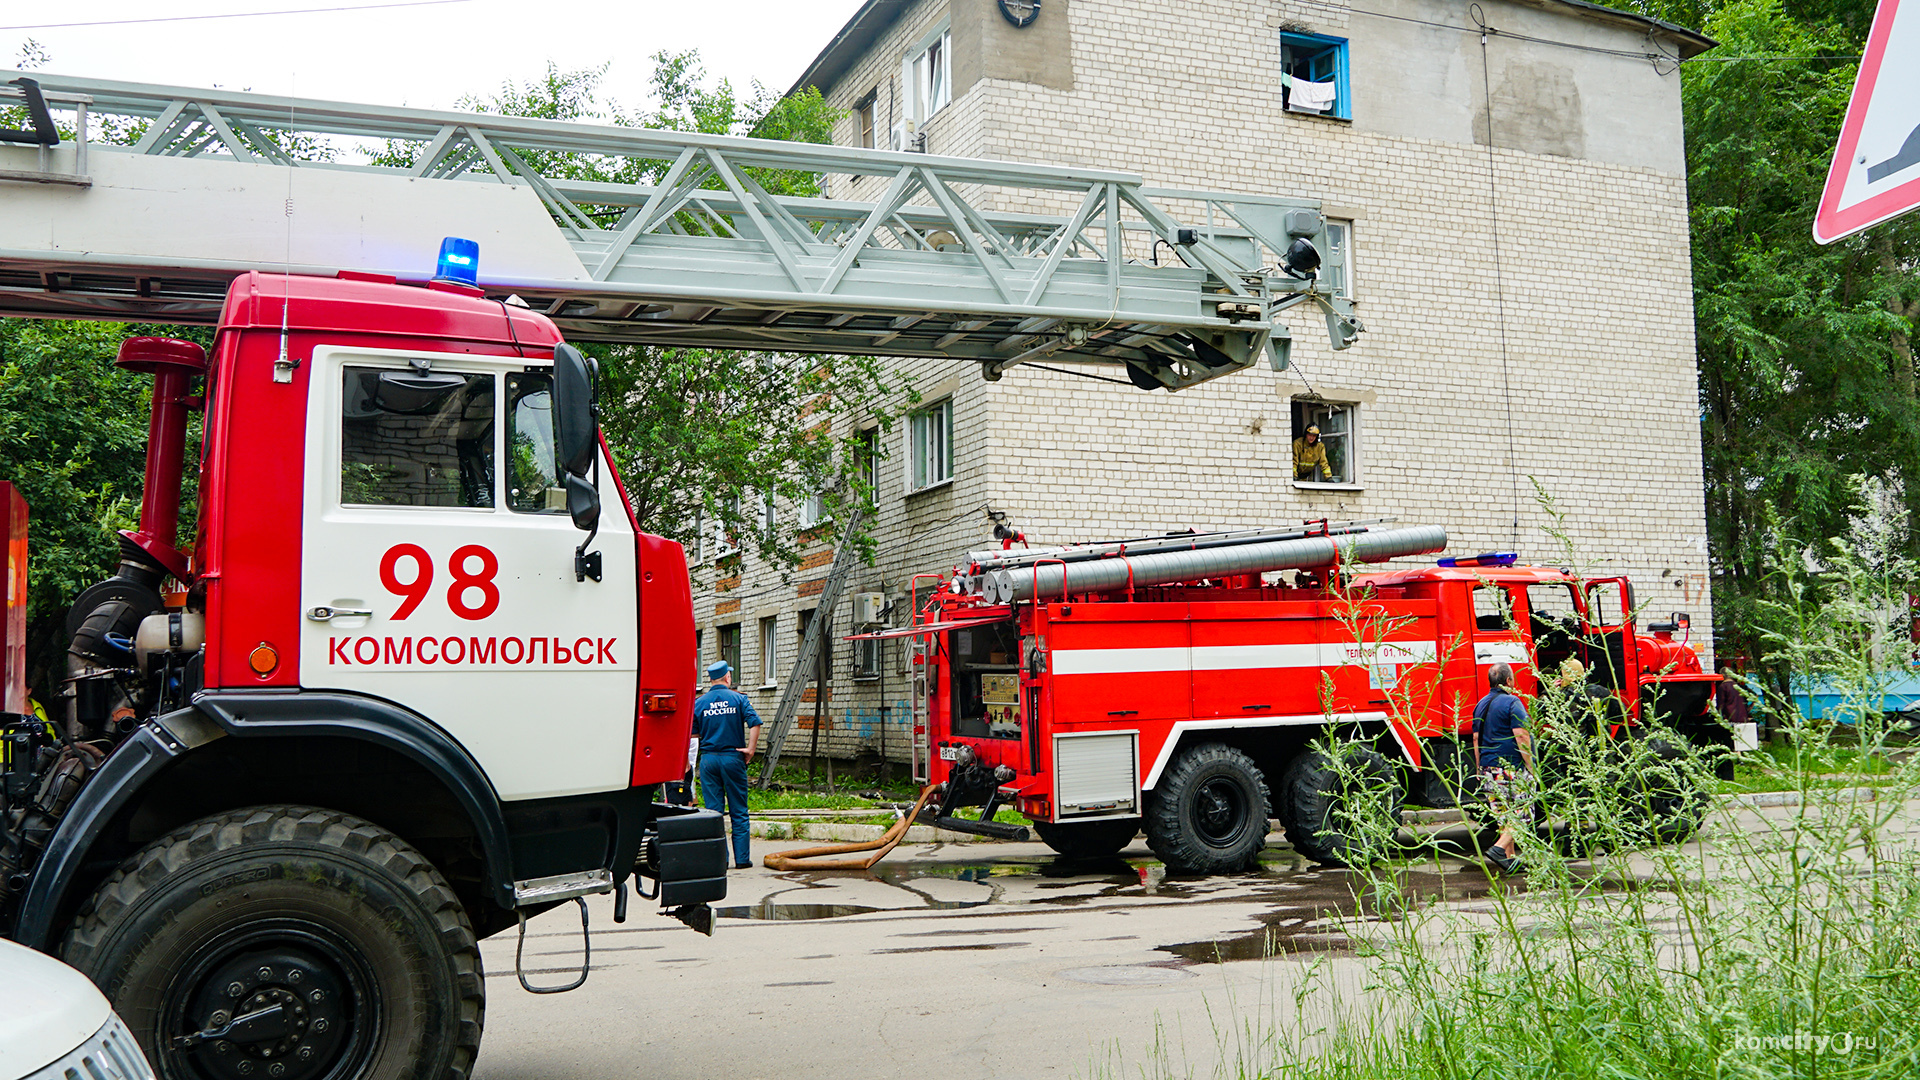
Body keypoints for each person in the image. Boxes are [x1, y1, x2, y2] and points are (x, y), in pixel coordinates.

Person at [693, 661, 762, 869]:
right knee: (739, 810)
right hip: (733, 758)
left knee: (714, 813)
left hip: (709, 759)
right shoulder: (739, 699)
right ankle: (742, 860)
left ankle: (719, 861)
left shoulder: (700, 702)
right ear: (727, 678)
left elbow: (693, 735)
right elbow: (755, 723)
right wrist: (750, 749)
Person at [1471, 662, 1534, 874]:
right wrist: (1530, 766)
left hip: (1488, 768)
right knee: (1524, 813)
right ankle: (1498, 849)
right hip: (1510, 767)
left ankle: (1511, 861)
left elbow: (1476, 739)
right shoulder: (1512, 702)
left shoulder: (1480, 704)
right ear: (1508, 681)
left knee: (1505, 816)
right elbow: (1522, 735)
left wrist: (1479, 768)